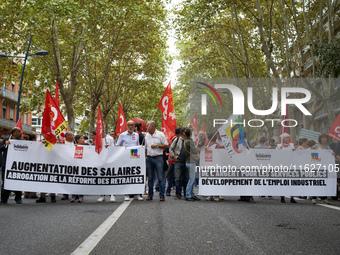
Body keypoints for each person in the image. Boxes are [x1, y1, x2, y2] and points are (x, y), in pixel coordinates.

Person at [116, 120, 143, 201]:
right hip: (126, 158)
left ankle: (137, 193)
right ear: (126, 126)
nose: (130, 127)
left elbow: (138, 145)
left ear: (134, 126)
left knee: (136, 175)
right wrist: (122, 148)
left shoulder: (137, 135)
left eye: (132, 125)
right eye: (129, 125)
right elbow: (117, 145)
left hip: (135, 158)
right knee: (127, 175)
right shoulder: (122, 135)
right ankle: (127, 194)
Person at [145, 121, 169, 201]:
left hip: (158, 158)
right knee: (150, 178)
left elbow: (166, 145)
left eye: (147, 126)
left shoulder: (160, 134)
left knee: (160, 178)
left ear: (152, 126)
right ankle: (150, 195)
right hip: (149, 158)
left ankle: (162, 195)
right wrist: (145, 157)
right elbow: (145, 148)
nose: (146, 128)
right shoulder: (146, 135)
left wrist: (157, 146)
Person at [0, 127, 24, 204]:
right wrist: (4, 145)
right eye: (19, 131)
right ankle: (4, 199)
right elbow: (0, 148)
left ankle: (18, 198)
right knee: (5, 182)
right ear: (14, 133)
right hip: (6, 164)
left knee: (17, 181)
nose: (21, 132)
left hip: (17, 165)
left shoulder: (22, 141)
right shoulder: (6, 139)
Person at [97, 130, 116, 203]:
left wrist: (109, 147)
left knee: (110, 177)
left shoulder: (110, 138)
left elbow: (114, 149)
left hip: (109, 160)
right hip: (100, 161)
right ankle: (102, 195)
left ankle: (112, 194)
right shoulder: (97, 139)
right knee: (101, 178)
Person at [169, 128, 188, 199]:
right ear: (182, 133)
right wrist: (174, 156)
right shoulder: (177, 140)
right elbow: (170, 148)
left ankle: (186, 193)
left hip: (187, 161)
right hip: (178, 161)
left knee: (186, 178)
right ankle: (178, 194)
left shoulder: (189, 140)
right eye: (185, 132)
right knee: (177, 178)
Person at [278, 133, 297, 203]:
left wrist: (294, 150)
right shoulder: (279, 146)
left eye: (288, 138)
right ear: (283, 139)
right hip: (282, 166)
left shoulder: (291, 145)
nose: (288, 139)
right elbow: (276, 155)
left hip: (290, 166)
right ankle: (282, 197)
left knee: (291, 182)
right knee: (283, 182)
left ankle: (292, 197)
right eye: (286, 138)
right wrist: (278, 151)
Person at [183, 128, 201, 201]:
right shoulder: (190, 141)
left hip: (188, 161)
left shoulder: (186, 141)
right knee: (191, 179)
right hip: (191, 161)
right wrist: (202, 148)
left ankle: (192, 194)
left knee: (191, 179)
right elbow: (195, 150)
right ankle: (188, 194)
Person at [70, 135, 86, 203]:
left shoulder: (87, 146)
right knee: (74, 181)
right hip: (75, 166)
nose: (83, 140)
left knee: (81, 181)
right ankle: (73, 196)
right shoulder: (73, 147)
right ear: (77, 140)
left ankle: (81, 196)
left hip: (83, 166)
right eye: (81, 138)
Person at [61, 131, 75, 200]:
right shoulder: (61, 143)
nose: (73, 137)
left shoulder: (75, 143)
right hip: (64, 163)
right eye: (72, 135)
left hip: (73, 163)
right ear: (67, 136)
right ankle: (65, 194)